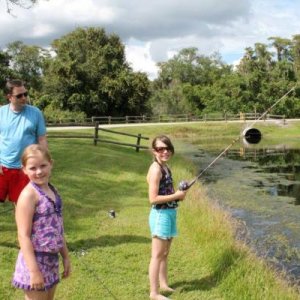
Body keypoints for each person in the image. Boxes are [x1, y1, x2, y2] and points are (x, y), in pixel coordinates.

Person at [12, 144, 71, 299]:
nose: (39, 172)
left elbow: (58, 227)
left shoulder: (52, 190)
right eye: (32, 168)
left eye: (43, 165)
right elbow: (23, 236)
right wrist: (34, 271)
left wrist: (65, 255)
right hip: (35, 261)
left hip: (51, 261)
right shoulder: (28, 196)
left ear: (51, 164)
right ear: (24, 169)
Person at [147, 135, 188, 300]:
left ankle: (163, 284)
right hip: (160, 215)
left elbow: (166, 192)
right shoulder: (156, 169)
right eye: (160, 149)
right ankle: (154, 293)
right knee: (157, 255)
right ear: (154, 151)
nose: (164, 152)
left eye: (167, 148)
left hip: (169, 213)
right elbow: (153, 199)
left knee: (165, 253)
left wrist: (178, 195)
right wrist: (176, 195)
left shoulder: (165, 167)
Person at [0, 79, 47, 204]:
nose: (24, 98)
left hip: (25, 169)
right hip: (3, 167)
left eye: (25, 94)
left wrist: (44, 162)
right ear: (9, 97)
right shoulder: (1, 113)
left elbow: (42, 139)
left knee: (22, 204)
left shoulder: (35, 113)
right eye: (19, 95)